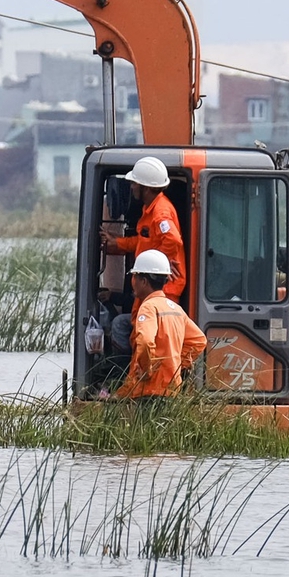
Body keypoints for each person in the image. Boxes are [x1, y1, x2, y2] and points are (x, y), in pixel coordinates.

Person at [114, 250, 206, 400]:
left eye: (134, 276)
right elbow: (199, 340)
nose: (133, 282)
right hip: (171, 389)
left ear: (143, 281)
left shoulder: (148, 307)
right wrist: (175, 365)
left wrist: (146, 370)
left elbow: (144, 341)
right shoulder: (176, 309)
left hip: (149, 391)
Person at [101, 156, 187, 302]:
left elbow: (172, 239)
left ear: (146, 187)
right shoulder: (150, 209)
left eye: (135, 183)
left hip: (163, 290)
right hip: (153, 289)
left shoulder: (160, 212)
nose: (132, 187)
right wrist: (117, 242)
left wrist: (159, 265)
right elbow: (145, 241)